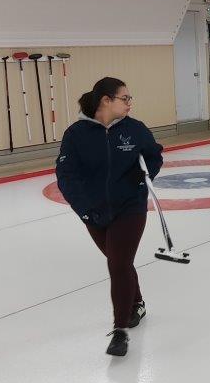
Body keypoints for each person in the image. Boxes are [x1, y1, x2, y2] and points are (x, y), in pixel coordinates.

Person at [56, 77, 164, 357]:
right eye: (124, 98)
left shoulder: (135, 129)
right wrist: (84, 208)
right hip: (93, 212)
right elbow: (66, 176)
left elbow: (154, 156)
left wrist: (143, 177)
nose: (129, 103)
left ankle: (120, 331)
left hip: (130, 207)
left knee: (118, 263)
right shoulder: (76, 134)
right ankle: (137, 303)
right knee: (120, 262)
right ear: (106, 100)